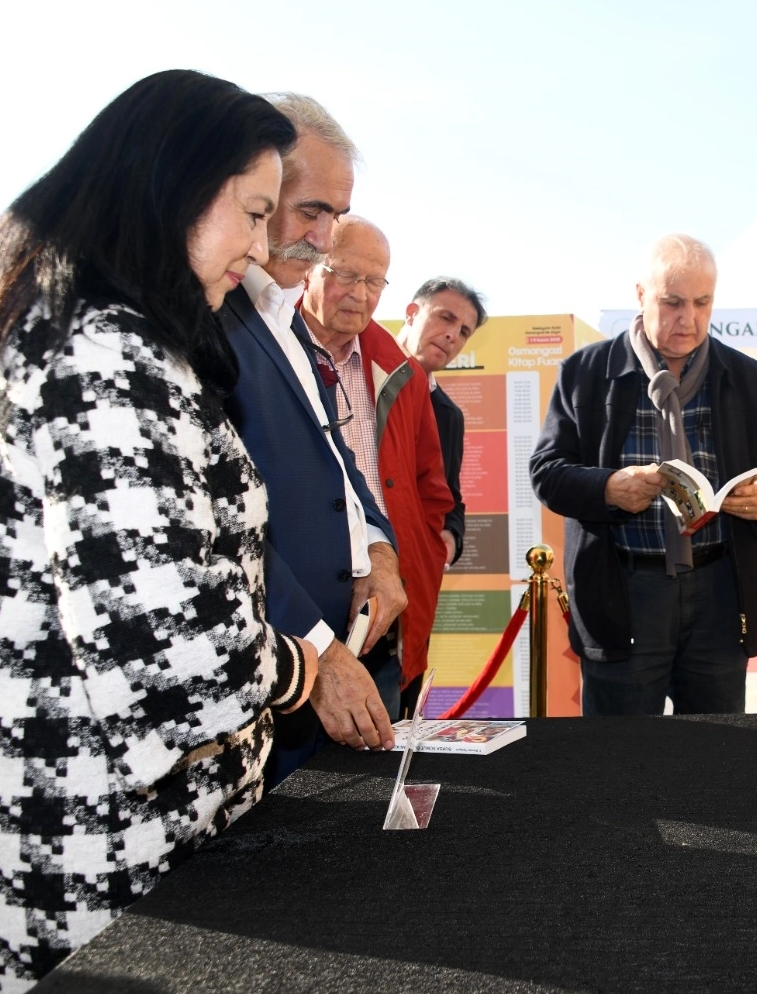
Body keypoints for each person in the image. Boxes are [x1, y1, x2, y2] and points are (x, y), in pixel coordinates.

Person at [0, 70, 317, 991]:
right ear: (174, 184)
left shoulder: (55, 324)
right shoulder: (102, 355)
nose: (262, 244)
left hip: (79, 834)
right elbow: (180, 664)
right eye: (252, 211)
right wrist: (304, 668)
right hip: (99, 862)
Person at [217, 94, 407, 785]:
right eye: (308, 212)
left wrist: (379, 552)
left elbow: (338, 469)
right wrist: (319, 653)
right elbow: (220, 528)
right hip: (279, 671)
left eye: (335, 215)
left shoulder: (282, 317)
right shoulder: (213, 319)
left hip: (330, 660)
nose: (325, 238)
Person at [530, 234, 757, 715]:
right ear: (640, 295)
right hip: (622, 593)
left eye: (702, 303)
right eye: (672, 302)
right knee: (623, 762)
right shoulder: (585, 373)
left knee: (716, 760)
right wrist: (608, 488)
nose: (689, 318)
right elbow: (547, 473)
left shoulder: (747, 377)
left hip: (721, 592)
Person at [299, 216, 456, 720]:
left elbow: (432, 487)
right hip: (297, 612)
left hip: (384, 612)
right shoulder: (269, 354)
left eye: (374, 281)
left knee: (375, 770)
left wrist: (420, 557)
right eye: (344, 274)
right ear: (308, 268)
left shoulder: (402, 375)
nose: (360, 294)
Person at [396, 277, 488, 569]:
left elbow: (451, 498)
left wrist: (450, 538)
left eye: (463, 331)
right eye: (445, 317)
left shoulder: (449, 415)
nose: (452, 336)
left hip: (411, 574)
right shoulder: (353, 371)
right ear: (411, 312)